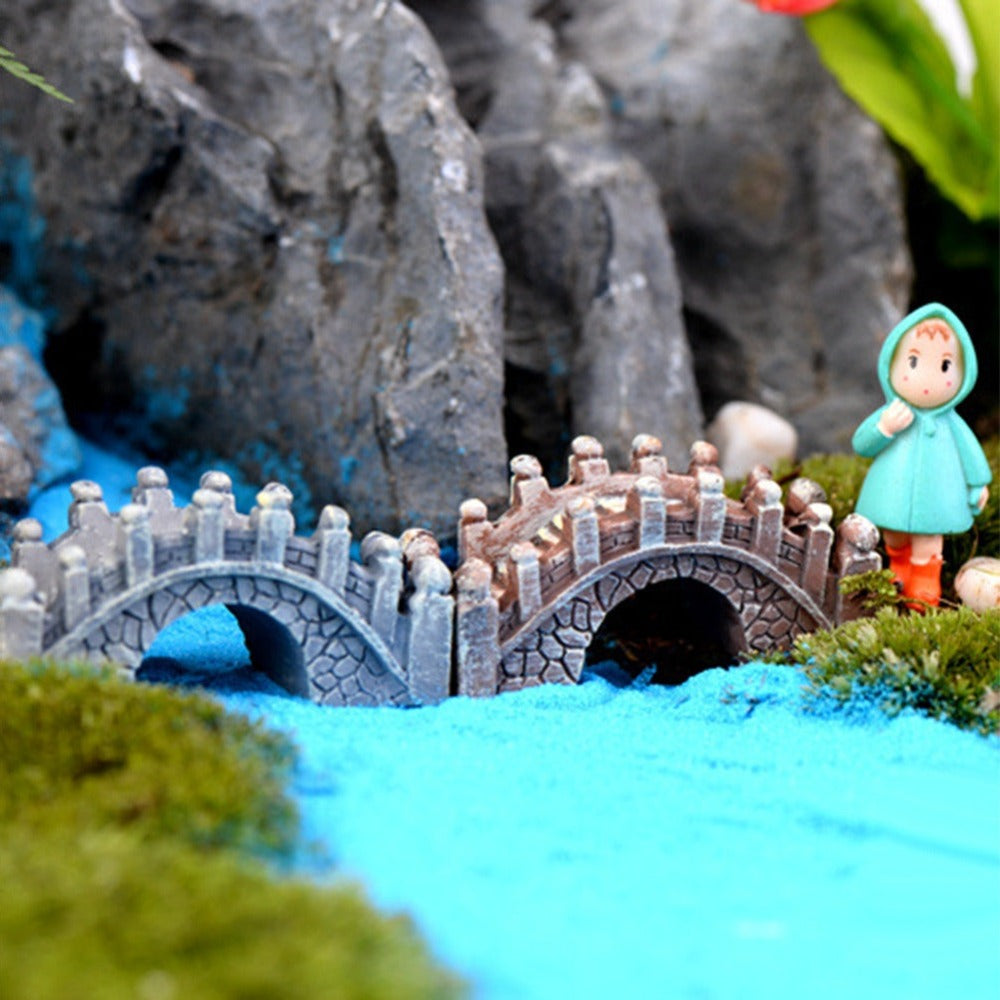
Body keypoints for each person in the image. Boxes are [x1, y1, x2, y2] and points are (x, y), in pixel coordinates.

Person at [852, 303, 991, 607]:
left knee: (929, 539)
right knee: (893, 533)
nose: (927, 382)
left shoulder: (951, 424)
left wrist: (977, 483)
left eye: (945, 366)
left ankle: (925, 584)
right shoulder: (892, 413)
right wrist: (884, 428)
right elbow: (862, 444)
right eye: (913, 361)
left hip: (937, 496)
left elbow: (971, 454)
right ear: (891, 363)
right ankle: (898, 567)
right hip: (892, 492)